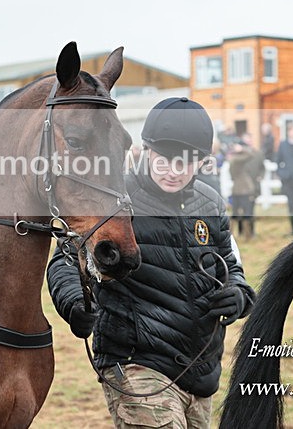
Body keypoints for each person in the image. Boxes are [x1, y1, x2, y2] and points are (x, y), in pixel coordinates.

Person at [47, 97, 255, 429]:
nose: (174, 171)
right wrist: (74, 303)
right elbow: (66, 261)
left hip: (200, 369)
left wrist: (239, 294)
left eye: (186, 163)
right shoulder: (113, 199)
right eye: (165, 160)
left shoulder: (211, 203)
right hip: (136, 364)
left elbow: (230, 263)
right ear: (146, 151)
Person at [228, 133, 264, 239]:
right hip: (244, 188)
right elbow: (250, 155)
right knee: (245, 212)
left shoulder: (235, 158)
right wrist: (242, 149)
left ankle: (246, 233)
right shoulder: (238, 159)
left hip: (244, 187)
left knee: (243, 211)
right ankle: (245, 234)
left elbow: (261, 167)